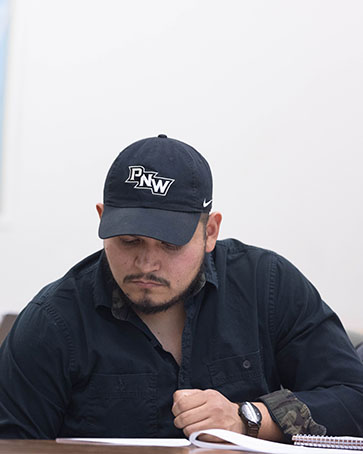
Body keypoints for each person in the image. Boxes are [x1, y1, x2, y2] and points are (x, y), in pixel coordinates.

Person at [0, 135, 362, 441]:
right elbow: (12, 444)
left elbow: (354, 399)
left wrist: (248, 418)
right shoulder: (53, 323)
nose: (146, 263)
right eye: (129, 241)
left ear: (210, 232)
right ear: (102, 220)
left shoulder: (267, 286)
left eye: (170, 245)